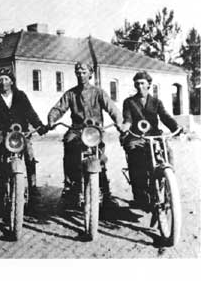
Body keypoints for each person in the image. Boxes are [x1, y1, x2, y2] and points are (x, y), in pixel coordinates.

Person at [47, 62, 128, 206]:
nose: (81, 75)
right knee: (69, 145)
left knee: (100, 158)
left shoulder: (99, 92)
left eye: (84, 72)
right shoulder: (71, 94)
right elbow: (59, 108)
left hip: (95, 130)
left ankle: (105, 191)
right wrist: (52, 119)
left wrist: (119, 123)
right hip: (77, 130)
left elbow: (112, 109)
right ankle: (69, 186)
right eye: (78, 72)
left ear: (90, 74)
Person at [0, 68, 48, 200]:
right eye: (1, 79)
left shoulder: (20, 96)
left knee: (29, 153)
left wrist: (40, 126)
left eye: (6, 79)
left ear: (12, 82)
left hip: (20, 132)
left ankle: (33, 185)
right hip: (1, 132)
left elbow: (30, 113)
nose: (3, 82)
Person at [121, 70, 182, 209]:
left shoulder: (156, 102)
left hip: (154, 135)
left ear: (149, 84)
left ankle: (168, 182)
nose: (140, 87)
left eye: (143, 83)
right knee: (135, 157)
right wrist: (125, 127)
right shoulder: (129, 102)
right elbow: (128, 119)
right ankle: (140, 194)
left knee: (168, 151)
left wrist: (176, 128)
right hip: (137, 136)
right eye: (137, 84)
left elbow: (165, 117)